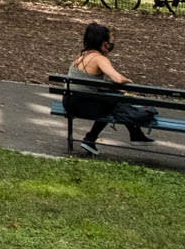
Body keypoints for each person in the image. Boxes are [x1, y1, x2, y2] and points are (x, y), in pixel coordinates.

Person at [66, 23, 159, 155]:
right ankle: (91, 138)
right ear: (104, 44)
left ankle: (133, 134)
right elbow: (117, 79)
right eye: (110, 44)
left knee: (113, 98)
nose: (110, 47)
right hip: (84, 106)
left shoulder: (80, 57)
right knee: (116, 102)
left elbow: (89, 85)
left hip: (69, 103)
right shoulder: (99, 59)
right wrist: (129, 81)